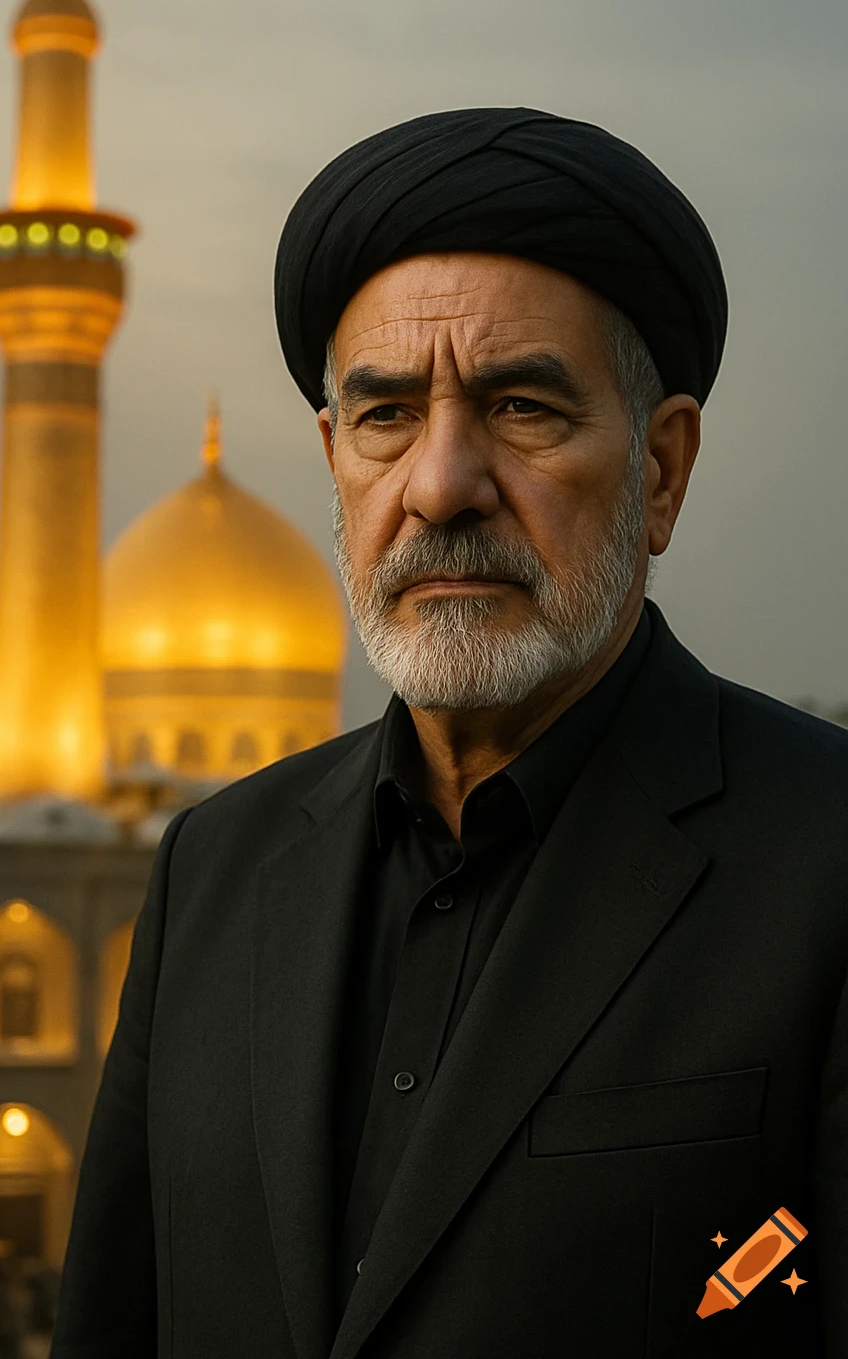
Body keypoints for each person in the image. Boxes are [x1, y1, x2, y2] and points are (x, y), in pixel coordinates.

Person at [50, 109, 847, 1358]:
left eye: (521, 407)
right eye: (384, 418)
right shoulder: (215, 869)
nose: (438, 484)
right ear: (333, 459)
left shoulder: (818, 866)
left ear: (664, 468)